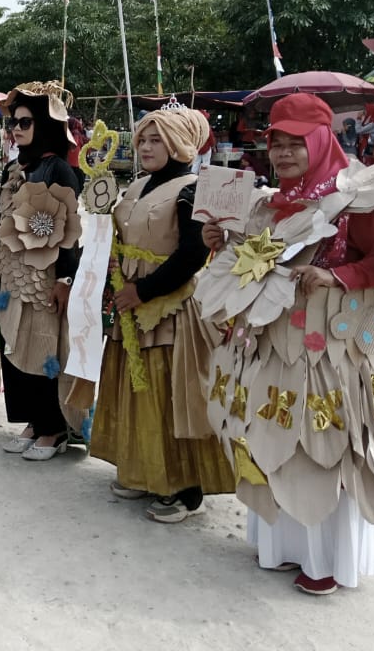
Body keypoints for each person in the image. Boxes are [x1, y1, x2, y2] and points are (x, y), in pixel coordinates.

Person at [195, 93, 374, 595]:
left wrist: (336, 276)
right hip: (277, 349)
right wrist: (223, 244)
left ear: (321, 140)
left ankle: (326, 560)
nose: (282, 154)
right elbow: (256, 263)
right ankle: (281, 547)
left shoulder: (358, 195)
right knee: (277, 441)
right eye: (276, 143)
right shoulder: (270, 202)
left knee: (327, 447)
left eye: (294, 143)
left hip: (336, 354)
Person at [90, 105, 235, 521]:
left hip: (170, 310)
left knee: (173, 396)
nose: (147, 146)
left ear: (180, 144)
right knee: (138, 394)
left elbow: (193, 253)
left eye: (158, 140)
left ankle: (183, 488)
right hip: (130, 303)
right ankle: (142, 471)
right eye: (144, 139)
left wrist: (144, 290)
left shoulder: (194, 189)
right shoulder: (136, 186)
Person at [0, 81, 82, 458]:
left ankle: (54, 427)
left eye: (25, 122)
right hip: (11, 275)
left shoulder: (59, 170)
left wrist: (65, 279)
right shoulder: (13, 166)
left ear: (45, 123)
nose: (17, 130)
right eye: (13, 124)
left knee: (41, 349)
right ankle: (33, 420)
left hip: (43, 279)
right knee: (13, 347)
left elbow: (71, 232)